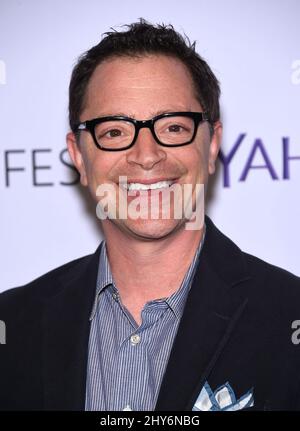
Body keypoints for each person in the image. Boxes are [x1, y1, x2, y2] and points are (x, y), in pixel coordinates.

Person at [0, 19, 299, 412]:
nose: (146, 154)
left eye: (173, 127)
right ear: (79, 157)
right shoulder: (13, 326)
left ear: (212, 147)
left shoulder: (289, 314)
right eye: (114, 132)